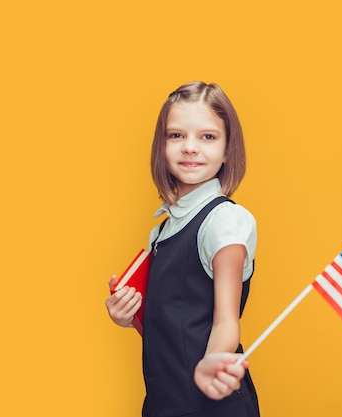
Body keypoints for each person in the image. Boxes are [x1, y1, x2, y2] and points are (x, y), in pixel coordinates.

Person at [105, 81, 260, 417]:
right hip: (164, 403)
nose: (190, 147)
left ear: (228, 150)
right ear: (161, 146)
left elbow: (225, 322)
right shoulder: (161, 229)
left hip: (210, 405)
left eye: (208, 136)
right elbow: (173, 324)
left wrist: (214, 362)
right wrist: (129, 315)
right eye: (176, 135)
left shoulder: (225, 221)